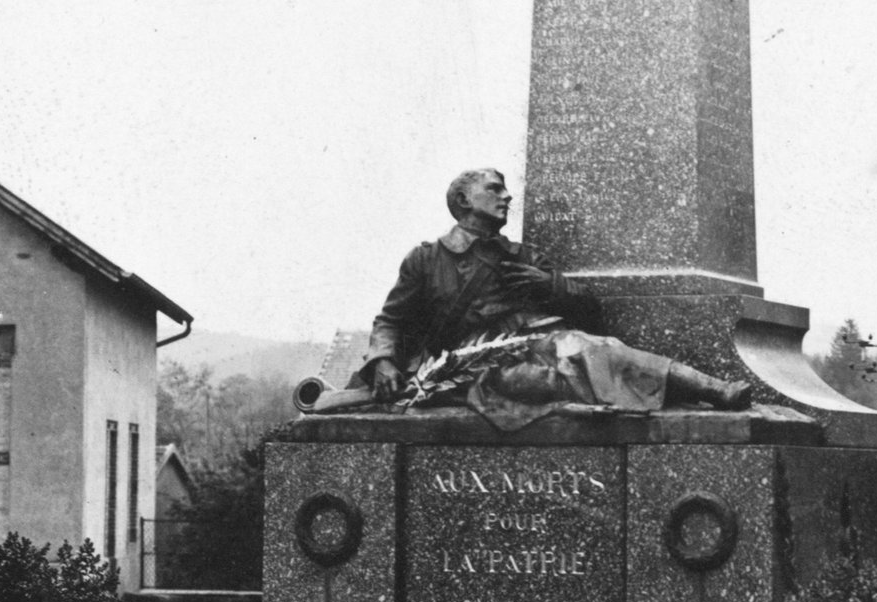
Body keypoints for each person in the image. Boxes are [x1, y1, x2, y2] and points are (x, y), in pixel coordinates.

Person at [305, 169, 752, 426]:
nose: (507, 195)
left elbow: (589, 310)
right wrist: (383, 362)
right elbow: (391, 319)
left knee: (600, 349)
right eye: (493, 189)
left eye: (505, 188)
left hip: (539, 346)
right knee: (559, 374)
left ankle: (715, 390)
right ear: (463, 200)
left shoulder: (522, 256)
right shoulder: (426, 259)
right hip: (474, 367)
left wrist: (549, 286)